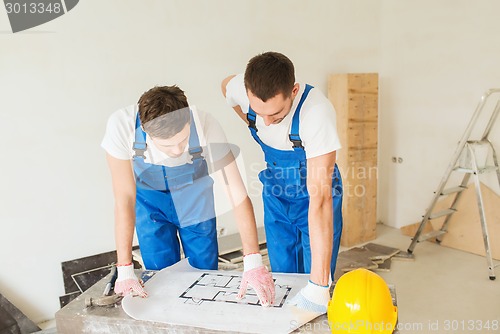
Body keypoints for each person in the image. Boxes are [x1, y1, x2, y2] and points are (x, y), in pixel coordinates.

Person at [101, 85, 274, 305]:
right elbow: (124, 198)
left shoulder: (206, 125)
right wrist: (124, 270)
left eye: (182, 141)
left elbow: (237, 194)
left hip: (195, 200)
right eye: (167, 145)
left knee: (204, 273)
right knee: (158, 276)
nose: (176, 151)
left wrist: (253, 261)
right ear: (145, 130)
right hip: (150, 203)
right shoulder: (121, 126)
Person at [221, 51, 343, 313]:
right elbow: (225, 85)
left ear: (294, 91)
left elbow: (320, 201)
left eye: (275, 113)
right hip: (276, 194)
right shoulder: (243, 91)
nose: (266, 121)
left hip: (314, 194)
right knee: (283, 273)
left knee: (317, 274)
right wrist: (251, 121)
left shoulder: (317, 114)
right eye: (258, 112)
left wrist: (319, 286)